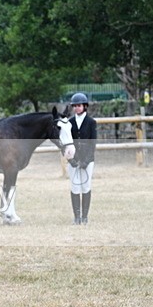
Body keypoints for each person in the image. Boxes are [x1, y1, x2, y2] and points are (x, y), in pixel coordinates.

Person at [67, 92, 97, 225]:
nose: (76, 108)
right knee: (74, 187)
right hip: (73, 159)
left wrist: (87, 160)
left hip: (87, 160)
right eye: (74, 106)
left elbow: (92, 143)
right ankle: (76, 217)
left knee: (86, 187)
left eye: (78, 106)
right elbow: (66, 142)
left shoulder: (91, 122)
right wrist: (70, 159)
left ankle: (85, 216)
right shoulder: (69, 122)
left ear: (85, 106)